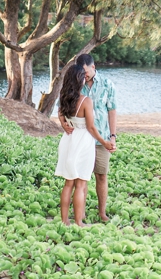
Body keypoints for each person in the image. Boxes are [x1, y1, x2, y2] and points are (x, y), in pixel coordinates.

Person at [59, 54, 117, 223]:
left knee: (100, 175)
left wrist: (112, 136)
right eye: (81, 73)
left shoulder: (107, 85)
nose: (85, 75)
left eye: (86, 72)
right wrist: (63, 123)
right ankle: (80, 216)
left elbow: (112, 111)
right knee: (80, 181)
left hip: (99, 138)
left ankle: (101, 212)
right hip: (82, 138)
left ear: (93, 67)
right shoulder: (77, 86)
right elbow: (61, 109)